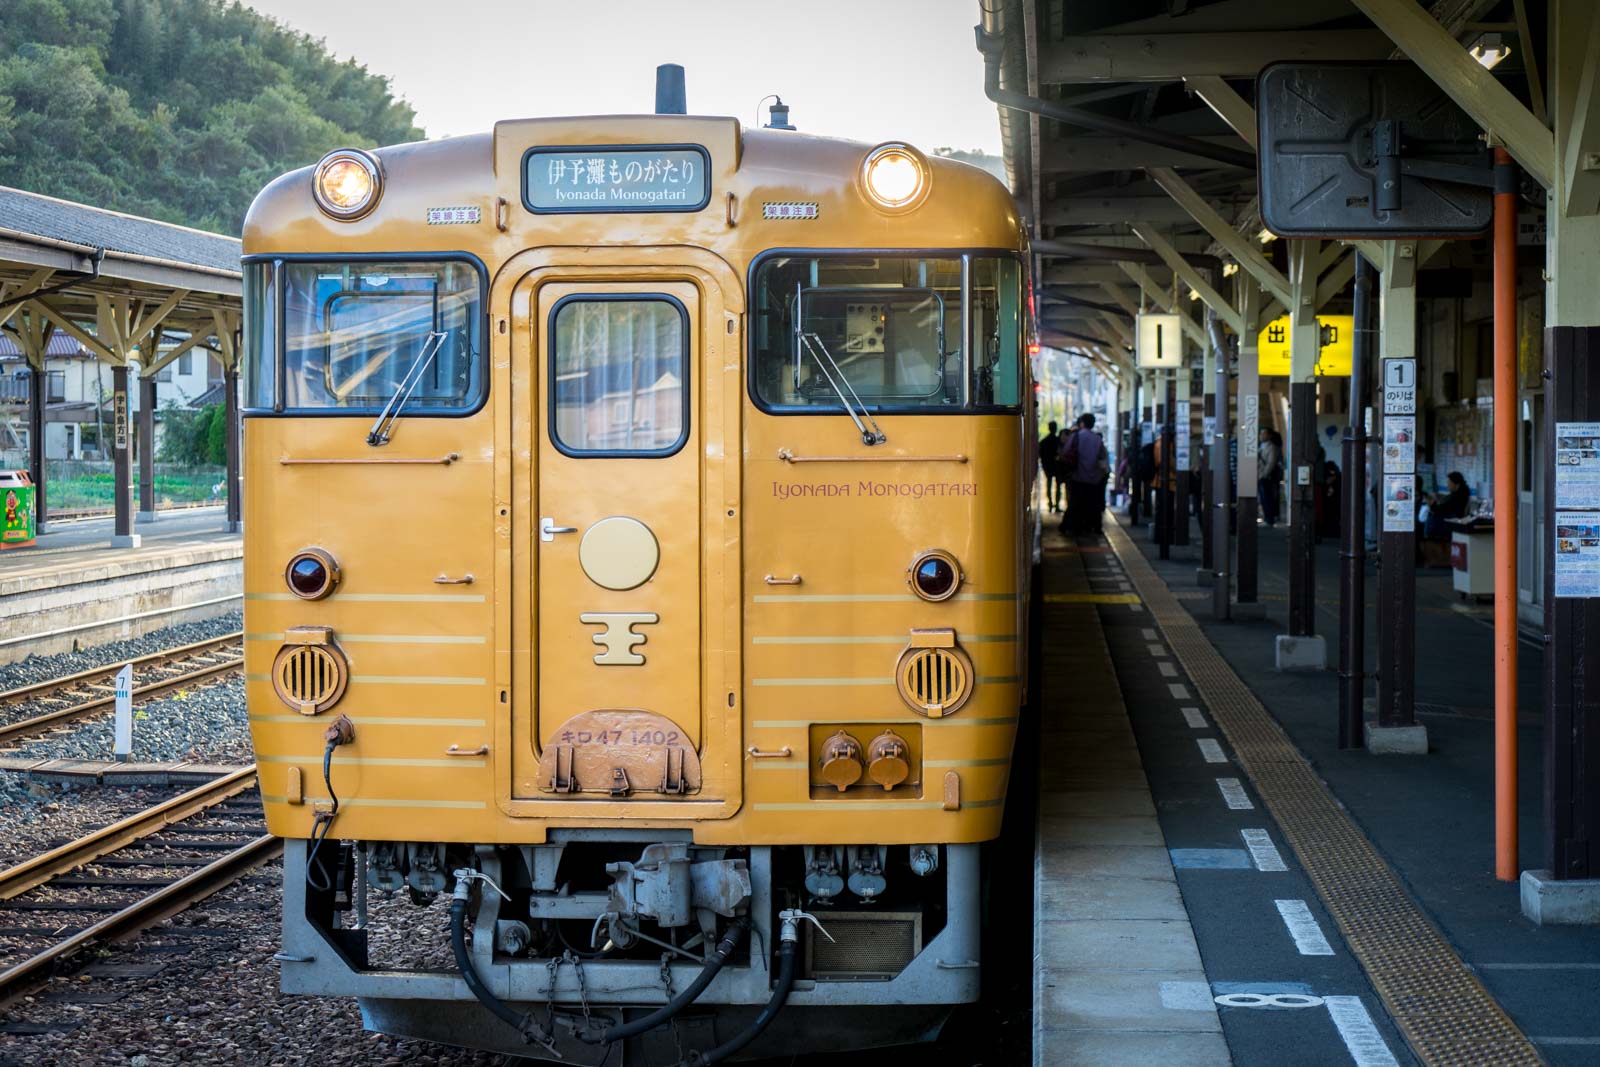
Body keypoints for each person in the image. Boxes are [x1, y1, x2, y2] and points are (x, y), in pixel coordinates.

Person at [1062, 413, 1108, 535]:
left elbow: (1066, 451)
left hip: (1077, 476)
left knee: (1076, 504)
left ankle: (1075, 527)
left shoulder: (1076, 436)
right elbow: (1102, 457)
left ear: (1082, 423)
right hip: (1093, 478)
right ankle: (1092, 526)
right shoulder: (1097, 439)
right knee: (1093, 504)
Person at [1258, 428, 1284, 527]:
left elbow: (1271, 463)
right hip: (1262, 476)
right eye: (1261, 433)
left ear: (1270, 436)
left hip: (1267, 477)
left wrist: (1264, 475)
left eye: (1264, 433)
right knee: (1264, 498)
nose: (1261, 435)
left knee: (1267, 498)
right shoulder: (1261, 446)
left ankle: (1269, 519)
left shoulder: (1272, 447)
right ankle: (1267, 517)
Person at [1039, 421, 1063, 513]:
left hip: (1048, 467)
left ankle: (1050, 504)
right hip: (1057, 467)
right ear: (1055, 428)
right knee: (1058, 486)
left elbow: (1041, 454)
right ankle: (1057, 505)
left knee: (1049, 486)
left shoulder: (1044, 441)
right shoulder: (1058, 441)